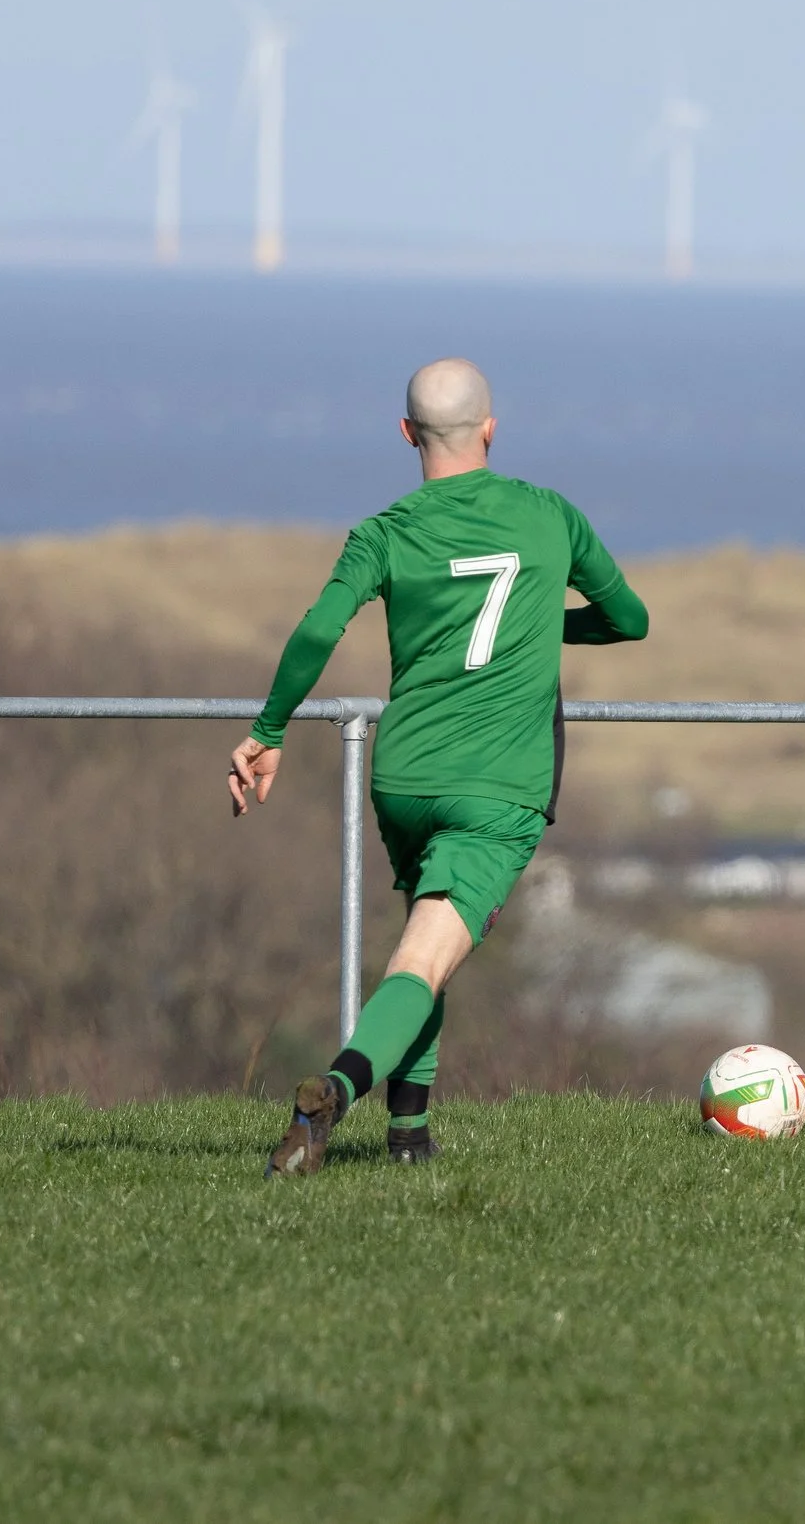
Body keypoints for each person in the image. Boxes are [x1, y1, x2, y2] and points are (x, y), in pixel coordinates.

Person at [228, 357, 649, 1176]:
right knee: (423, 959)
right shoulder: (548, 515)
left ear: (406, 434)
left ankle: (410, 1138)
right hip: (497, 789)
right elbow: (628, 618)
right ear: (492, 428)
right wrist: (541, 625)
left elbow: (318, 629)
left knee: (426, 950)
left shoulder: (384, 533)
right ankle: (336, 1096)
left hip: (404, 778)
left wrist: (269, 730)